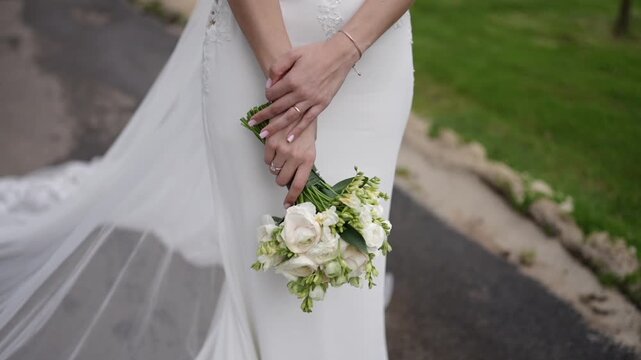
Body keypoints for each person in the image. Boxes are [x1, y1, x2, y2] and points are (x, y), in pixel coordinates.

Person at [0, 0, 414, 358]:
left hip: (372, 60)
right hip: (263, 51)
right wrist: (293, 105)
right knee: (270, 292)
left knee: (347, 287)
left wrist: (343, 53)